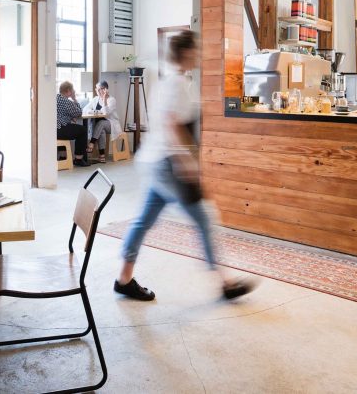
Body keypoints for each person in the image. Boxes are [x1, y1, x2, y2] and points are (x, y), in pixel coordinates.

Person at [113, 30, 254, 301]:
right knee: (204, 219)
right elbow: (172, 124)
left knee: (143, 221)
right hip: (169, 164)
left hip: (153, 161)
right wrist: (189, 165)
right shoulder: (178, 83)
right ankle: (226, 283)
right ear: (187, 52)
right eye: (196, 49)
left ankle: (124, 279)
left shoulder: (167, 81)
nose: (199, 54)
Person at [83, 80, 122, 163]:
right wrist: (93, 111)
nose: (98, 91)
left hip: (111, 125)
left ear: (105, 89)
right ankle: (102, 156)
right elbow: (85, 109)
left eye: (100, 89)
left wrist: (104, 99)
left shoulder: (111, 100)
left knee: (101, 123)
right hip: (101, 127)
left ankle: (91, 143)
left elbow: (106, 113)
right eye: (97, 89)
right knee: (101, 130)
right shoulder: (95, 99)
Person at [56, 81, 89, 167]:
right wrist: (74, 99)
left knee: (70, 129)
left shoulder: (55, 98)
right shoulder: (67, 102)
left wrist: (70, 117)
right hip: (60, 129)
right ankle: (78, 159)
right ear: (68, 90)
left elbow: (61, 113)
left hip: (53, 129)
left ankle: (62, 157)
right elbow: (79, 113)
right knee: (82, 130)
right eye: (72, 90)